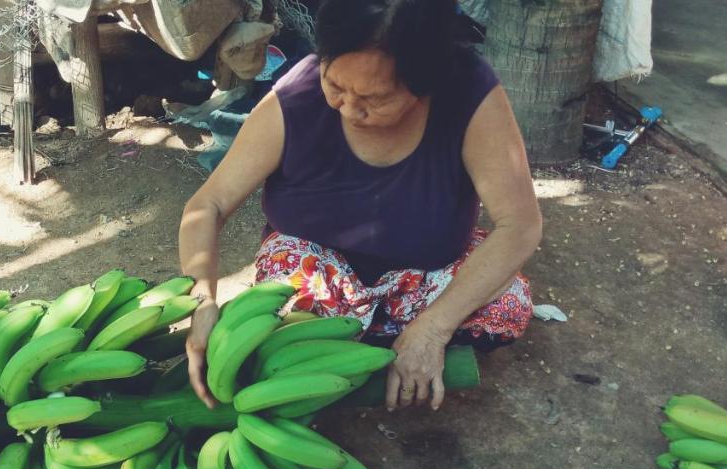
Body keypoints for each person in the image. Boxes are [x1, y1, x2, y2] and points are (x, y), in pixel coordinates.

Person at [178, 0, 542, 413]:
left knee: (506, 299)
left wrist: (433, 329)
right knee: (286, 296)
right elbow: (208, 204)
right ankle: (378, 349)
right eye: (335, 85)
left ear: (426, 83)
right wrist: (202, 298)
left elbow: (520, 226)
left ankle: (396, 343)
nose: (349, 109)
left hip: (422, 278)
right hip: (318, 283)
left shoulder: (469, 91)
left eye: (376, 98)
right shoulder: (297, 94)